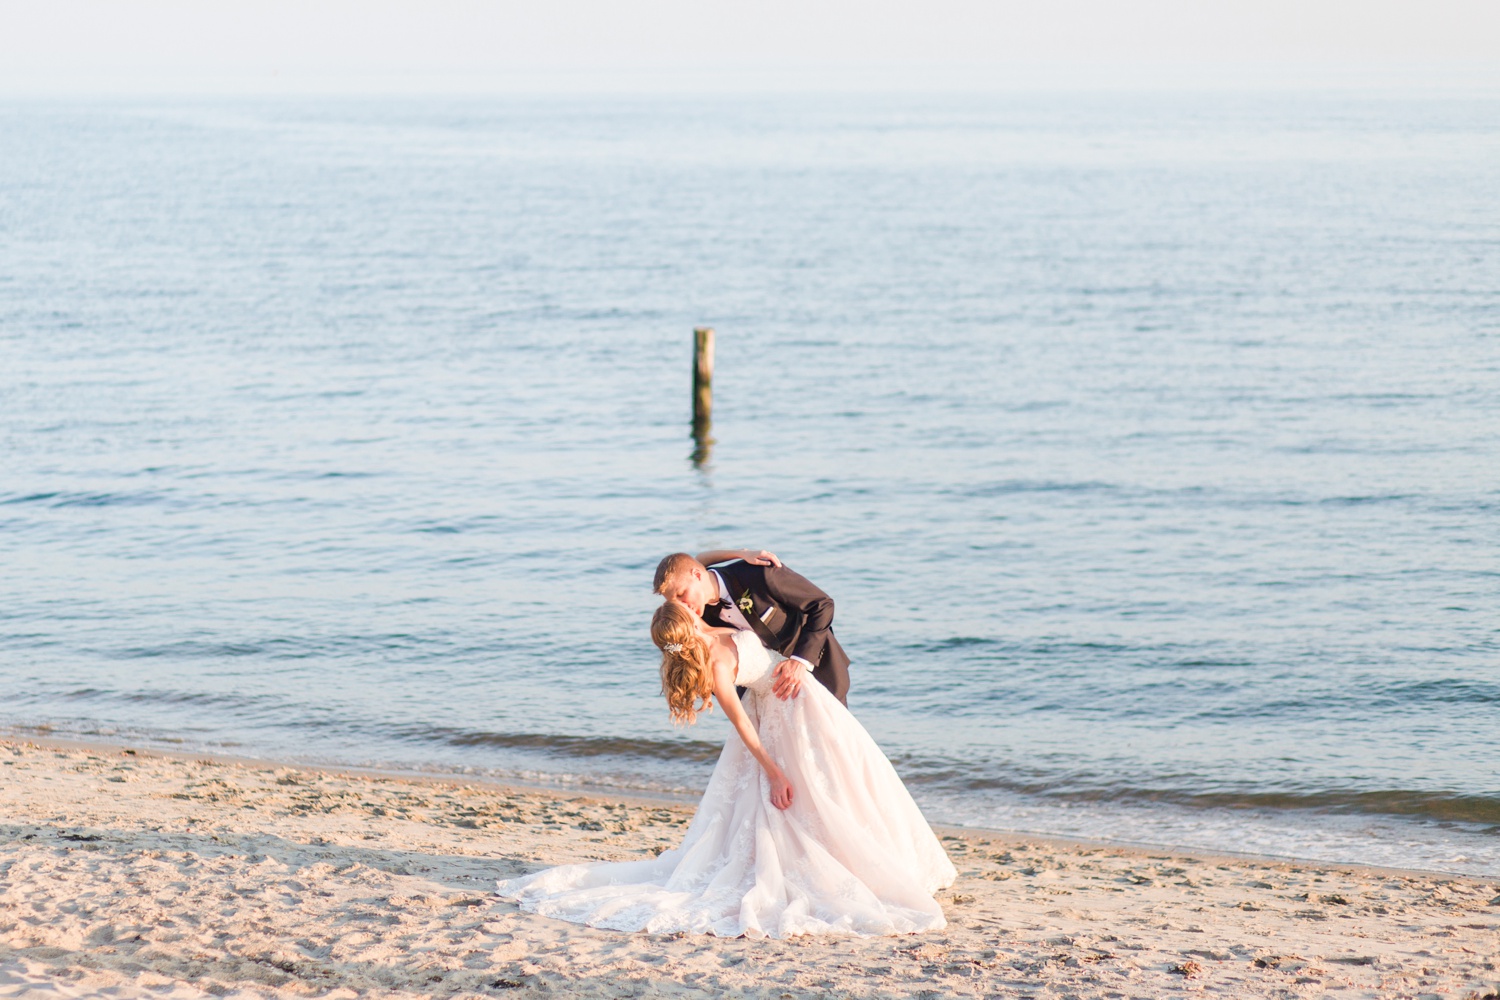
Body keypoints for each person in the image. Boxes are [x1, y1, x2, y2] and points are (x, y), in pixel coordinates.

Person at [495, 600, 955, 938]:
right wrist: (774, 771)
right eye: (686, 610)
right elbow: (741, 725)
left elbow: (702, 568)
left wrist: (741, 554)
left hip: (804, 704)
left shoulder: (712, 632)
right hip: (781, 719)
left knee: (849, 780)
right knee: (814, 794)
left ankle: (884, 856)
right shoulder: (713, 661)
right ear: (690, 624)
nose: (693, 608)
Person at [654, 549, 851, 705]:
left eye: (681, 594)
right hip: (769, 699)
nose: (681, 606)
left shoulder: (759, 574)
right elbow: (698, 559)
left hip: (819, 673)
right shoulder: (699, 615)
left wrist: (799, 661)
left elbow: (822, 605)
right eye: (673, 601)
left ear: (697, 575)